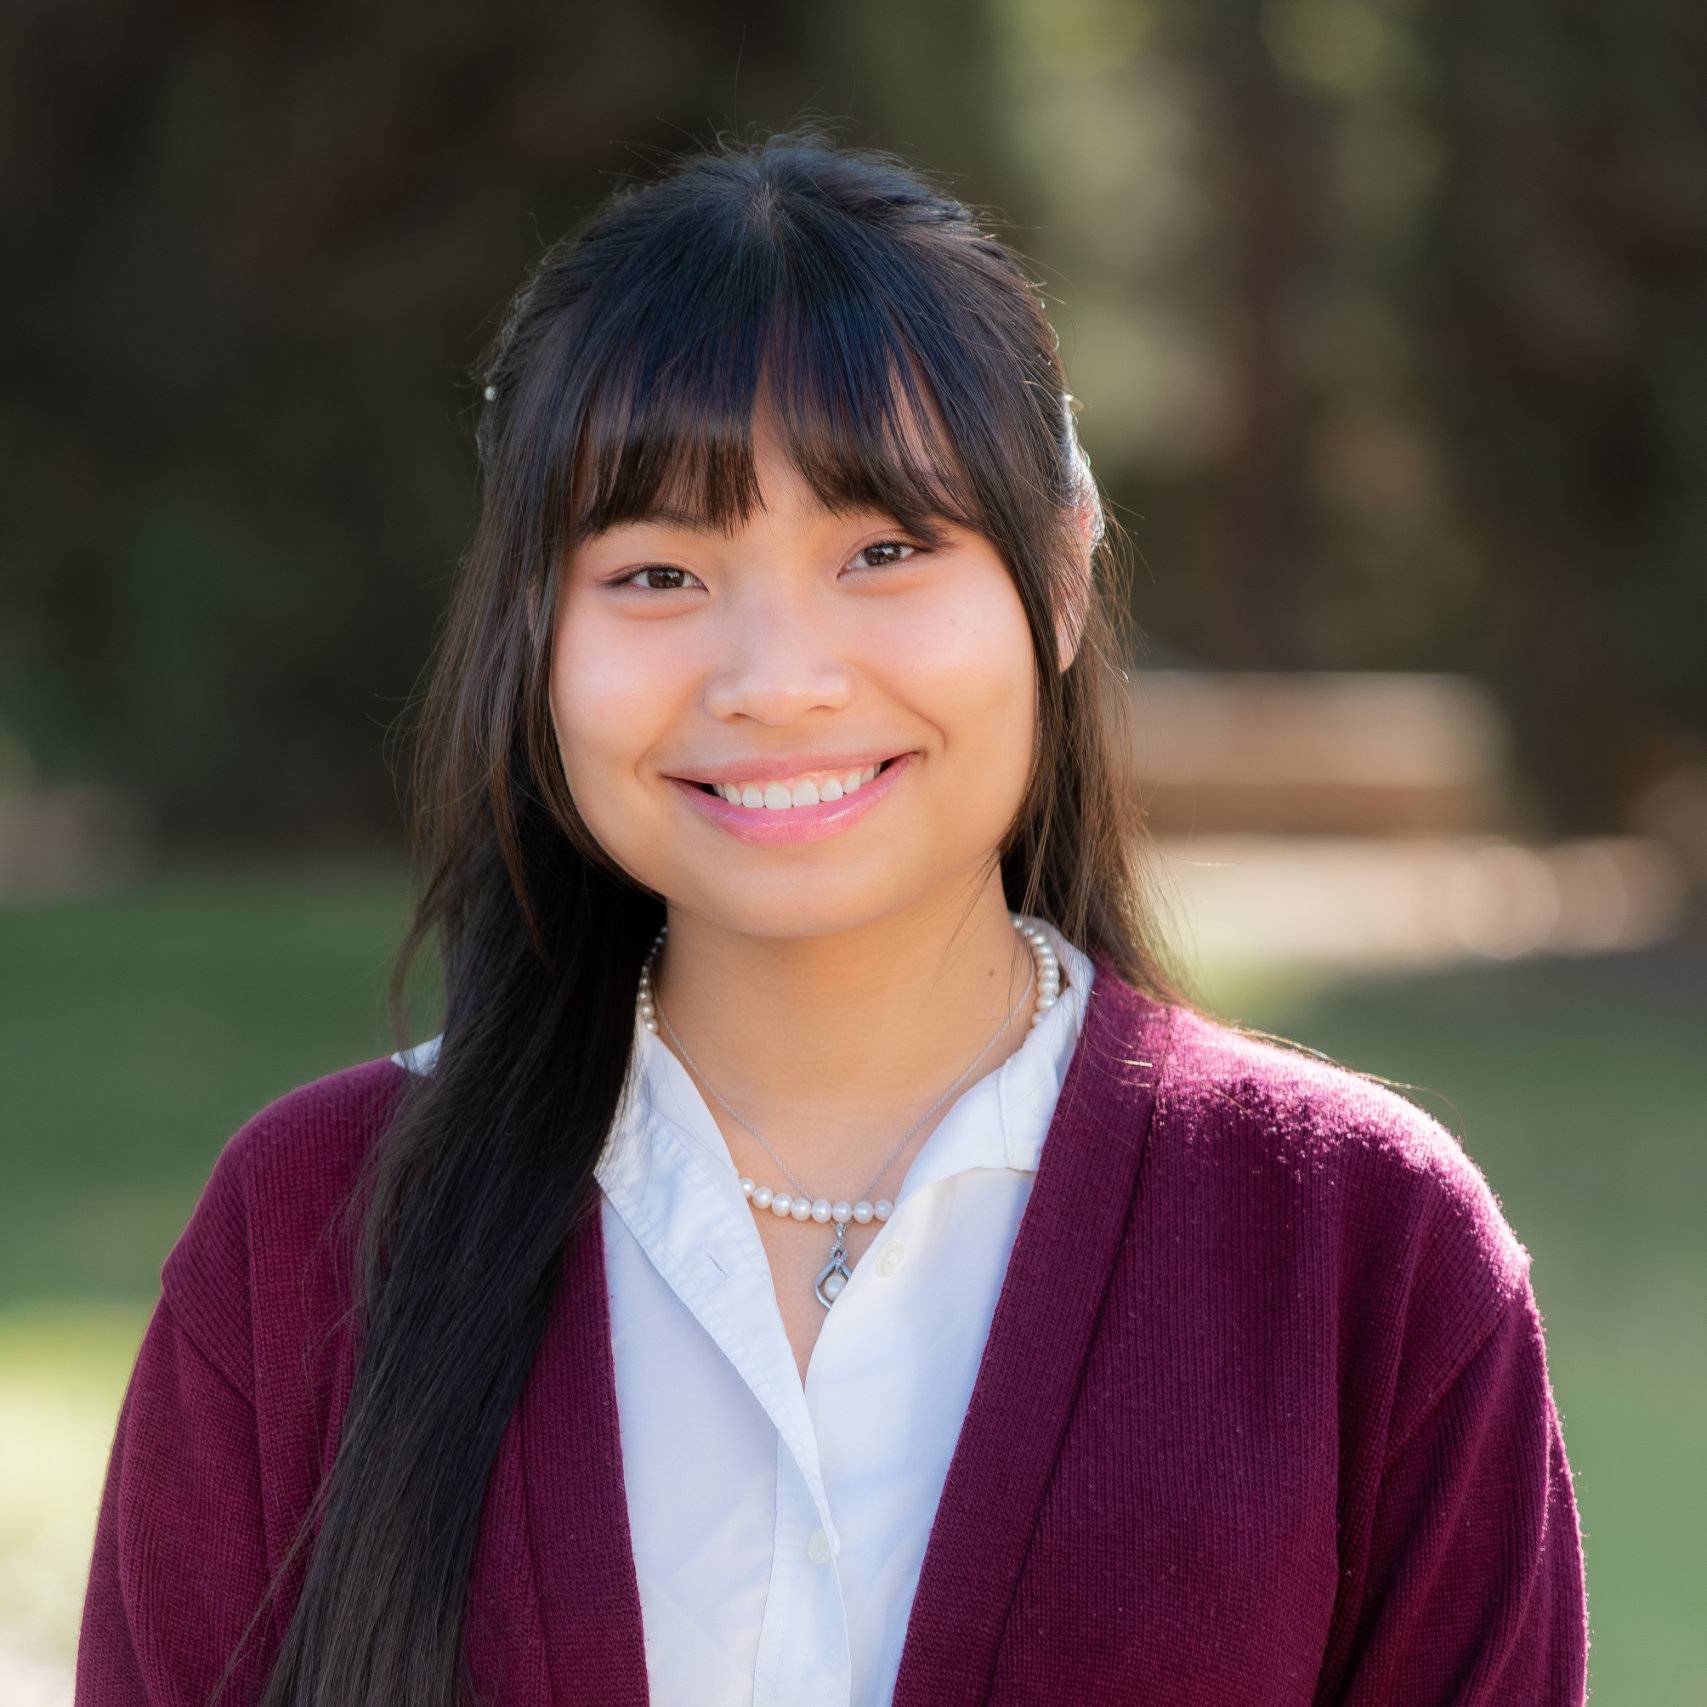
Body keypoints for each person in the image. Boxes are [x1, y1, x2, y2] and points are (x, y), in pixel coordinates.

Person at [75, 125, 1589, 1706]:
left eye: (883, 550)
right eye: (657, 574)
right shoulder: (304, 1239)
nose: (777, 680)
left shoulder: (1367, 1250)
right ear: (534, 627)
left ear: (1062, 575)